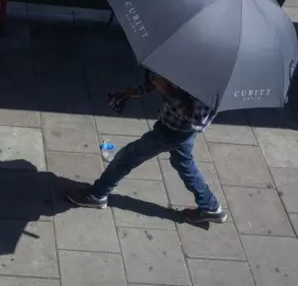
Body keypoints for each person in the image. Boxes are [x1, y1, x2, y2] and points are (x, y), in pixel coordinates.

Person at [66, 70, 227, 223]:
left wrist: (170, 91)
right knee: (184, 164)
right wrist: (134, 92)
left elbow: (198, 121)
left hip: (172, 133)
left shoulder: (210, 86)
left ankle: (97, 195)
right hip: (170, 127)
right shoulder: (184, 61)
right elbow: (158, 80)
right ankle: (210, 207)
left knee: (127, 157)